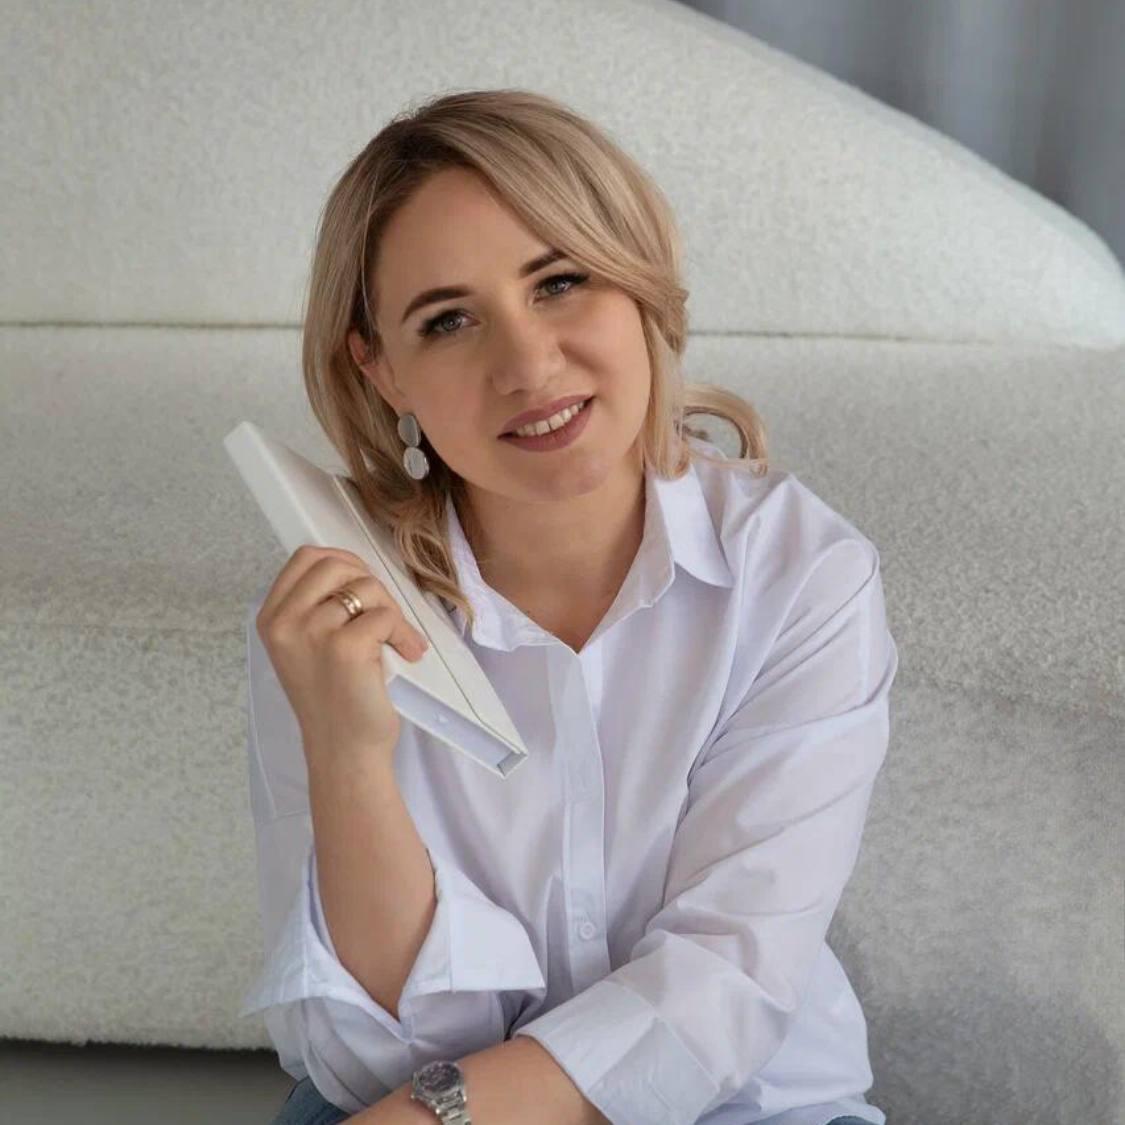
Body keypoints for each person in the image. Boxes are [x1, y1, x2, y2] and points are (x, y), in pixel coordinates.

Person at [241, 88, 898, 1125]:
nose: (527, 365)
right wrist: (349, 752)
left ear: (637, 278)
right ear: (381, 368)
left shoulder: (800, 575)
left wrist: (431, 1119)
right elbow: (367, 1058)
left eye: (559, 282)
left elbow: (722, 984)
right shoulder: (330, 621)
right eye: (448, 321)